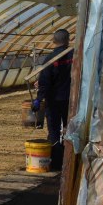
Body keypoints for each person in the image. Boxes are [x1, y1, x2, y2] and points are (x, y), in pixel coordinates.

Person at [34, 29, 72, 171]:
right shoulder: (75, 56)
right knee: (70, 128)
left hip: (53, 100)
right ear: (68, 40)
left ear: (53, 41)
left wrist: (38, 99)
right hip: (71, 100)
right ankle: (70, 161)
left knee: (54, 129)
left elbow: (45, 82)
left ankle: (56, 163)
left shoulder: (50, 59)